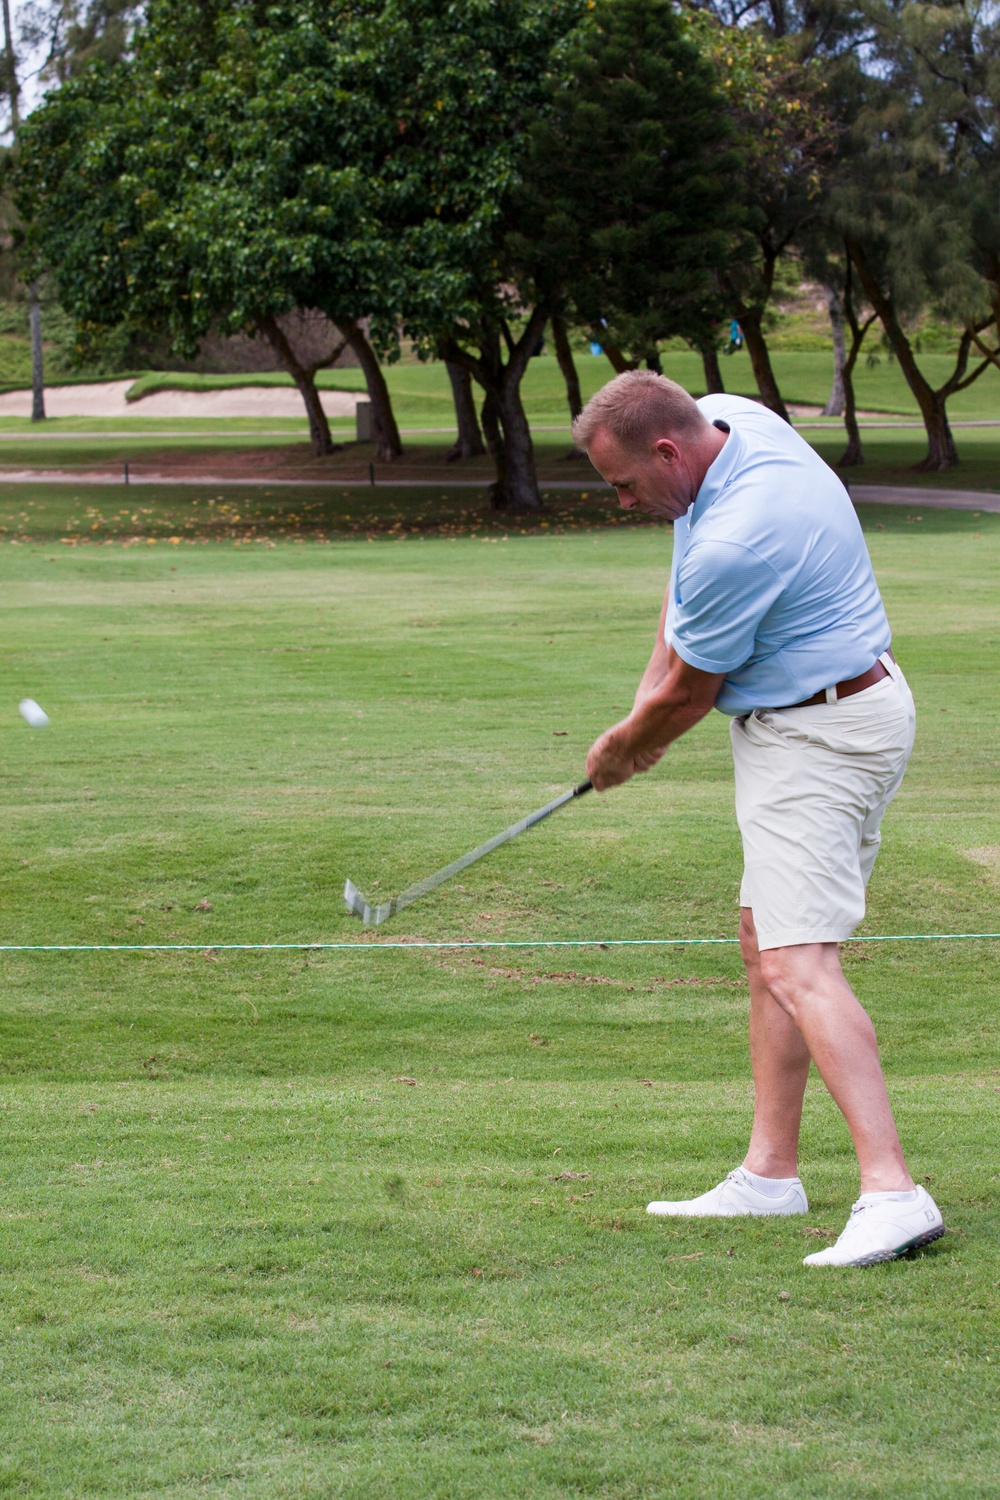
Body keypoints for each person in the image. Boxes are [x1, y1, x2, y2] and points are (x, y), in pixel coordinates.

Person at [572, 370, 944, 1269]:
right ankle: (772, 1175)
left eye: (623, 484)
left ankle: (894, 1191)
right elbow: (682, 561)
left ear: (666, 451)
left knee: (797, 960)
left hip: (820, 737)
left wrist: (628, 744)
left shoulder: (741, 539)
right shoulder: (728, 421)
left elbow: (691, 694)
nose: (621, 502)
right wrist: (639, 701)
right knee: (764, 937)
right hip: (838, 712)